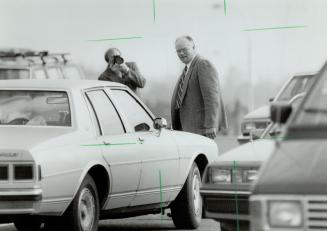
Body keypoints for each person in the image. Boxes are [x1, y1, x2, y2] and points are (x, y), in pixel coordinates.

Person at [171, 36, 228, 139]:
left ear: (193, 47)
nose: (181, 53)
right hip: (187, 130)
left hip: (201, 130)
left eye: (184, 50)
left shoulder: (203, 64)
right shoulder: (187, 69)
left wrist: (211, 125)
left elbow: (211, 98)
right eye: (178, 51)